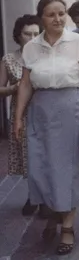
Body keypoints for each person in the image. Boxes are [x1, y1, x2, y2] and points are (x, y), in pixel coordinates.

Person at [14, 0, 79, 255]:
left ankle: (68, 227)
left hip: (71, 109)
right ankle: (53, 214)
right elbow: (26, 84)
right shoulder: (31, 48)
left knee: (69, 168)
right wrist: (18, 116)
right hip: (41, 111)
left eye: (61, 13)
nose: (58, 19)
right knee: (43, 166)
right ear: (42, 18)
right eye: (51, 14)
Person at [0, 14, 48, 217]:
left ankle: (45, 198)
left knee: (45, 155)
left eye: (36, 33)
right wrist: (14, 88)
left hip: (45, 111)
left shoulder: (46, 56)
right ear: (18, 36)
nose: (32, 37)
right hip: (21, 112)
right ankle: (33, 195)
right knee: (27, 156)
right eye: (27, 33)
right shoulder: (9, 59)